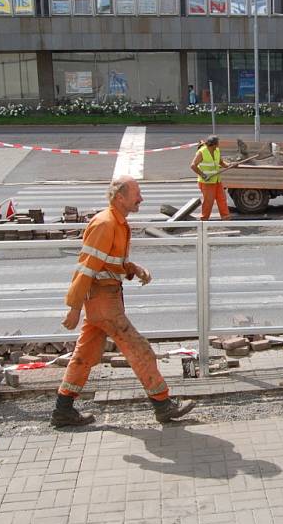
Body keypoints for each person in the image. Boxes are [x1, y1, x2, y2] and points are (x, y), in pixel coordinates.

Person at [52, 175, 196, 427]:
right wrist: (73, 308)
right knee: (138, 348)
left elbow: (109, 262)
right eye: (136, 194)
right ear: (120, 197)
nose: (141, 198)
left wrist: (134, 269)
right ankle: (162, 404)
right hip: (103, 302)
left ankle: (62, 410)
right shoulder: (105, 224)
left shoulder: (116, 223)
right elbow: (86, 269)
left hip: (105, 300)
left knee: (84, 355)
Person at [191, 135, 232, 221]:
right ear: (213, 144)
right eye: (218, 143)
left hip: (217, 181)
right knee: (208, 202)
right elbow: (193, 166)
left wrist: (228, 165)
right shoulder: (202, 152)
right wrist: (203, 175)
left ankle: (226, 218)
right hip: (206, 182)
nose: (218, 145)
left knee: (222, 199)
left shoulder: (216, 150)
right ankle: (204, 219)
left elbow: (221, 162)